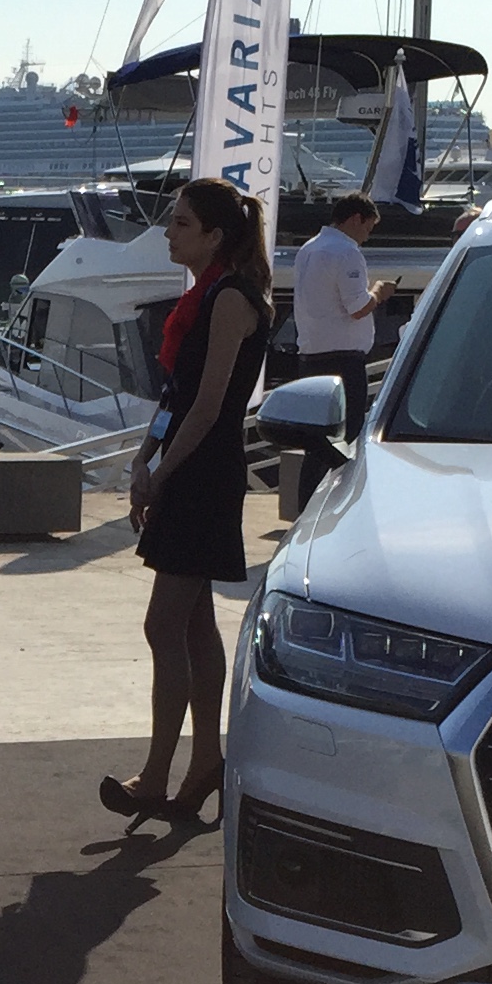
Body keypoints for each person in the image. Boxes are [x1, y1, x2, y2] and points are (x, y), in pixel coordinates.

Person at [103, 176, 273, 829]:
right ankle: (204, 763)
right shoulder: (205, 295)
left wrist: (162, 471)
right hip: (189, 468)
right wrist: (144, 458)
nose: (169, 234)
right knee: (194, 625)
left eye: (181, 224)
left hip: (206, 473)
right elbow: (176, 397)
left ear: (214, 235)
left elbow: (208, 406)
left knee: (164, 625)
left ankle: (157, 775)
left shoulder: (230, 299)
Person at [287, 193, 393, 503]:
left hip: (310, 355)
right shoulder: (346, 252)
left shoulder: (308, 249)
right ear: (356, 219)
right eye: (368, 228)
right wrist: (379, 291)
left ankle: (307, 503)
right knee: (345, 437)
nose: (366, 236)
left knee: (316, 439)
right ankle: (340, 502)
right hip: (343, 360)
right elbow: (357, 307)